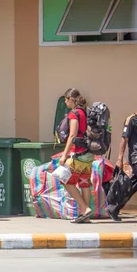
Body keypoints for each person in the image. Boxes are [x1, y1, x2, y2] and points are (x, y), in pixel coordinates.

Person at [59, 88, 93, 224]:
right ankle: (85, 216)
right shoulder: (84, 112)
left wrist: (64, 155)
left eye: (66, 100)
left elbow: (72, 135)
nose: (66, 103)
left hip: (78, 154)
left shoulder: (74, 114)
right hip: (88, 154)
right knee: (84, 184)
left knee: (65, 180)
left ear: (71, 99)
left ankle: (84, 208)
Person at [113, 93, 137, 221]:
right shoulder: (131, 120)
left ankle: (114, 208)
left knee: (133, 186)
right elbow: (124, 140)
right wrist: (119, 159)